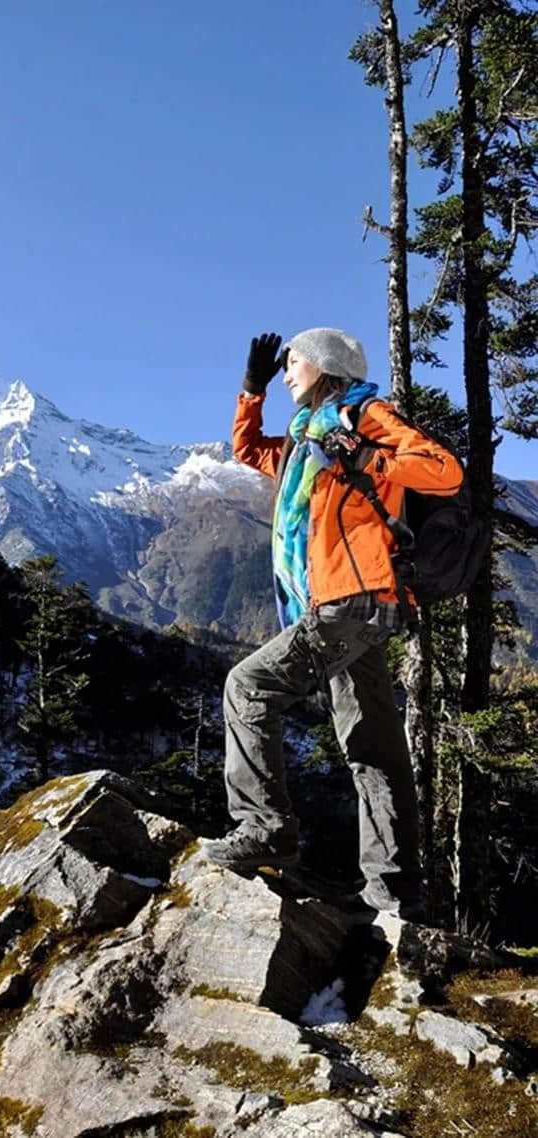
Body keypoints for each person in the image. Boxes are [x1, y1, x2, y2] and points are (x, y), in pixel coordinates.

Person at [206, 328, 463, 920]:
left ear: (325, 367)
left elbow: (442, 471)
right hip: (352, 604)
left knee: (247, 688)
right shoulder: (304, 440)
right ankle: (395, 893)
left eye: (295, 362)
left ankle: (265, 827)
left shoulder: (363, 414)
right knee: (373, 745)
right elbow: (248, 451)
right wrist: (252, 390)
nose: (287, 369)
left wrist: (370, 455)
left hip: (352, 599)